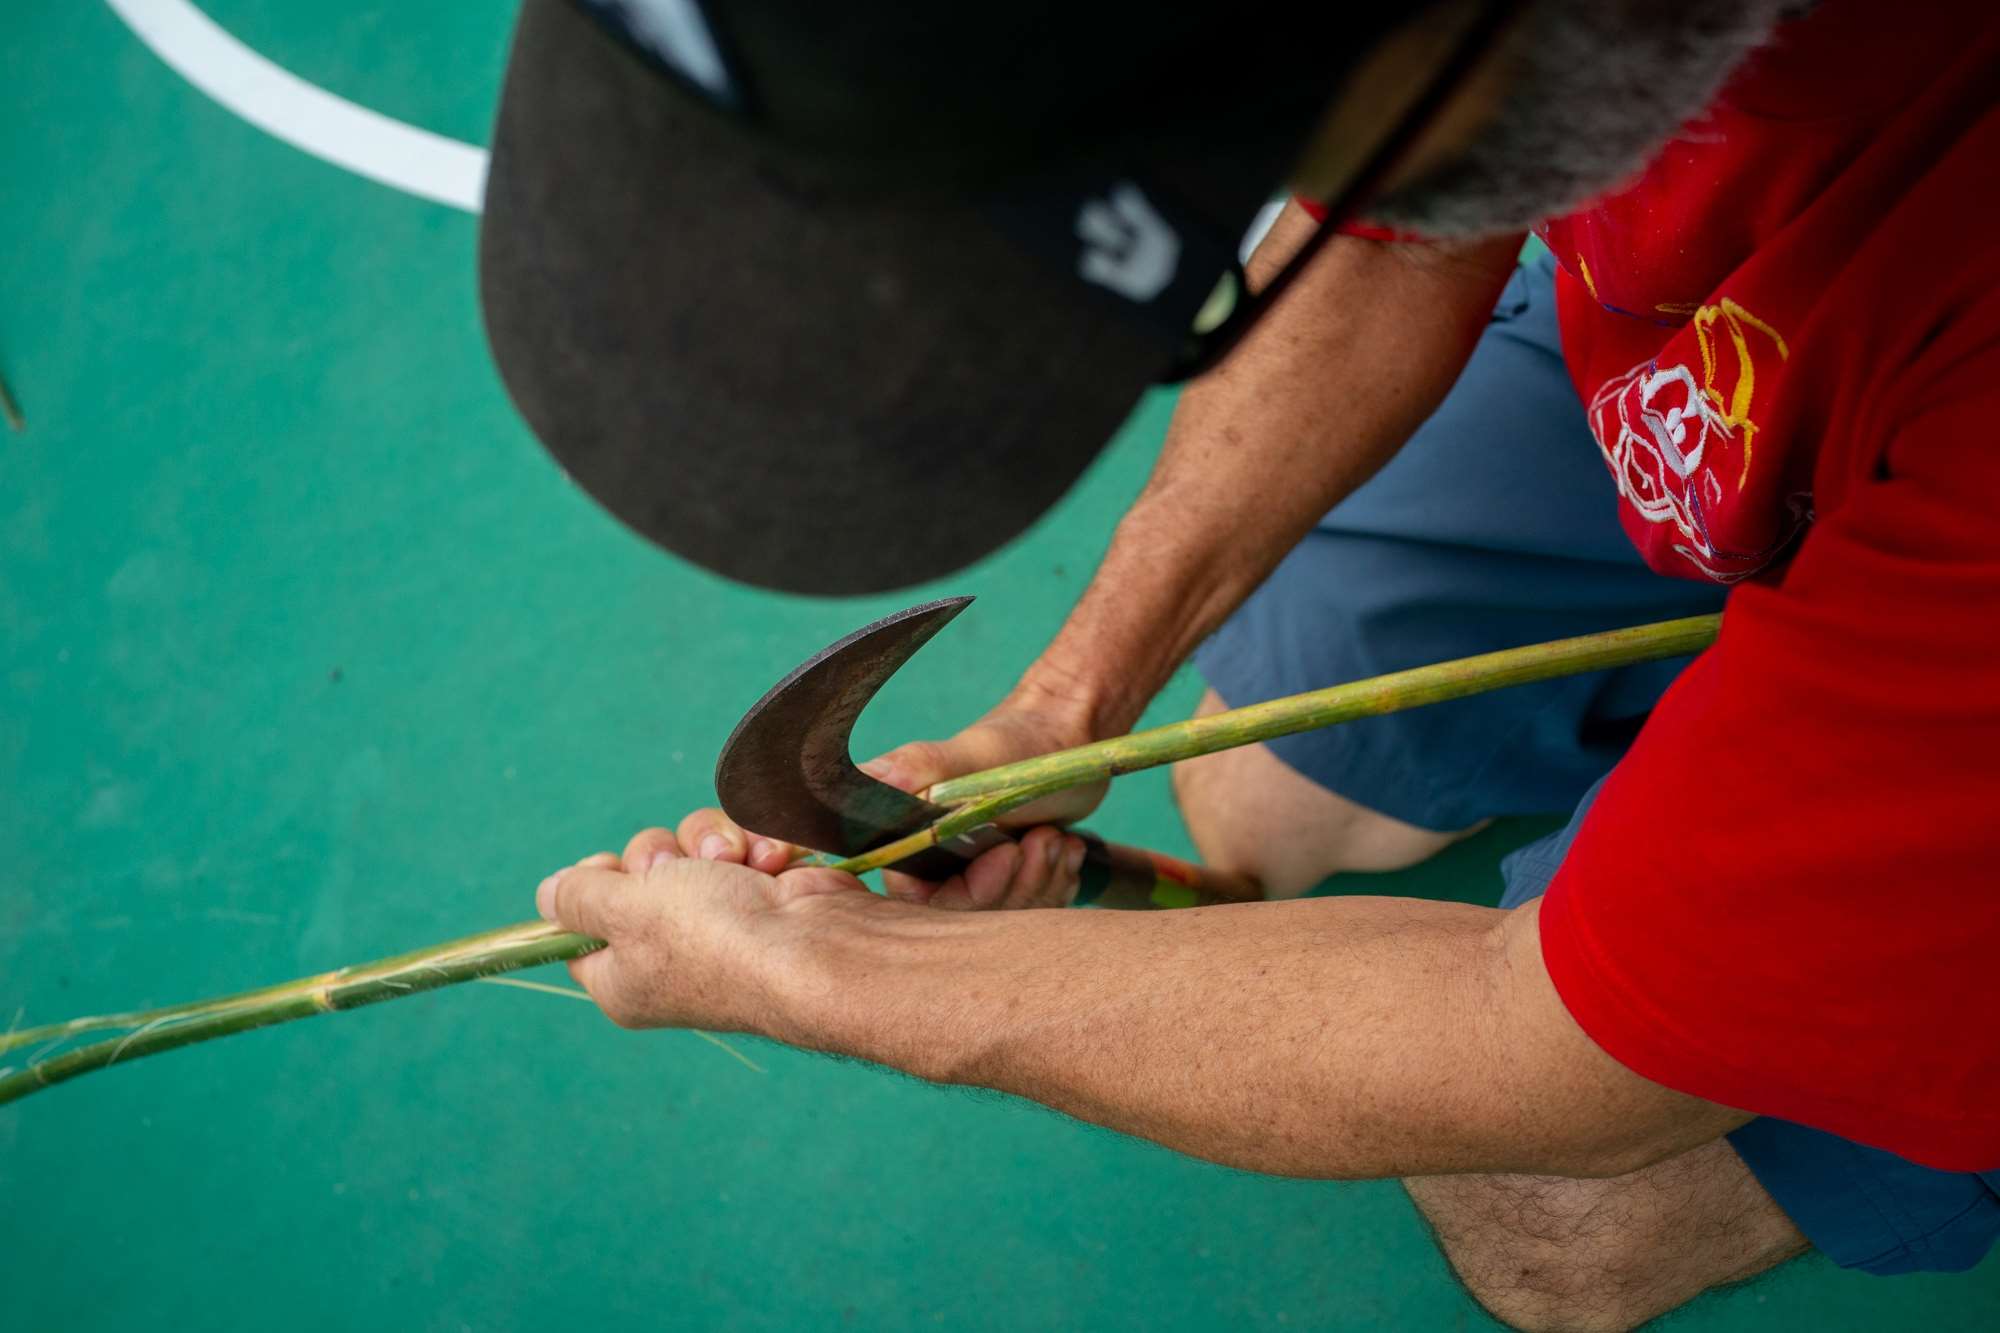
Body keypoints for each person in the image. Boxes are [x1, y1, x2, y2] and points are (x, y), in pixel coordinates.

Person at [479, 1, 2000, 1326]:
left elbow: (1552, 1050)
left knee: (1548, 1214)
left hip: (1947, 399)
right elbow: (1415, 211)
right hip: (1722, 218)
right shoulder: (1471, 57)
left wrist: (847, 975)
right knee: (1264, 807)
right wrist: (1062, 707)